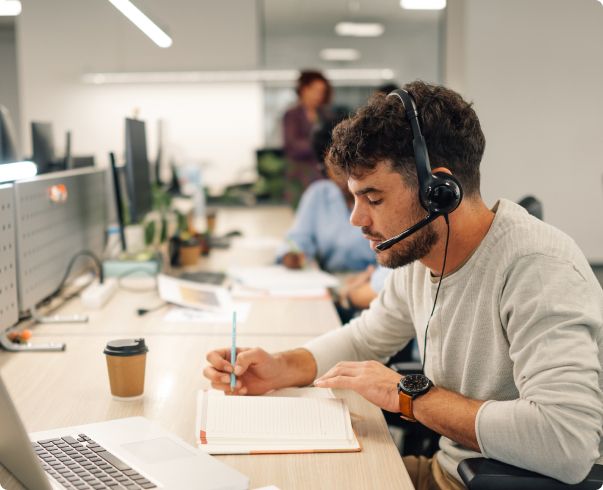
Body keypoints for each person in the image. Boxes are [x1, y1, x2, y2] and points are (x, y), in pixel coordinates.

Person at [205, 81, 603, 489]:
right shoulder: (421, 253)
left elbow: (567, 441)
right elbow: (365, 338)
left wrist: (407, 394)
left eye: (373, 199)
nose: (356, 220)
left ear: (439, 193)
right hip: (449, 470)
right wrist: (280, 368)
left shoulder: (536, 269)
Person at [278, 113, 375, 273]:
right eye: (332, 170)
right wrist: (292, 254)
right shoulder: (318, 194)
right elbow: (297, 239)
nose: (341, 177)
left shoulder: (380, 195)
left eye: (346, 167)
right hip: (332, 283)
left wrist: (368, 284)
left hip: (374, 286)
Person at [282, 70, 332, 207]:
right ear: (304, 90)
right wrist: (320, 145)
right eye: (316, 91)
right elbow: (293, 145)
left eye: (322, 92)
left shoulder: (325, 115)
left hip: (322, 176)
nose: (319, 96)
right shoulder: (292, 115)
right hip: (299, 177)